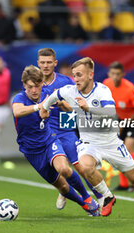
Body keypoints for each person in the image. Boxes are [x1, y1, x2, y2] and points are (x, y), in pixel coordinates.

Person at [40, 57, 134, 220]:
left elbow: (111, 113)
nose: (76, 79)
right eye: (74, 75)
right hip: (89, 143)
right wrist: (44, 107)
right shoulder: (70, 90)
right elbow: (55, 95)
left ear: (90, 75)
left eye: (80, 75)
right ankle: (107, 196)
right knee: (85, 166)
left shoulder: (102, 90)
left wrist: (88, 107)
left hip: (111, 143)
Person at [12, 65, 100, 216]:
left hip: (49, 140)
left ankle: (87, 197)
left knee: (64, 169)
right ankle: (83, 204)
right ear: (24, 85)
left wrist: (69, 107)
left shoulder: (47, 94)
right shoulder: (20, 98)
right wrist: (38, 107)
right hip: (31, 150)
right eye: (30, 87)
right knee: (63, 187)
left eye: (37, 86)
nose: (34, 90)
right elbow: (17, 111)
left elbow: (65, 105)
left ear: (41, 84)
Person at [36, 48, 103, 210]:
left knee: (80, 166)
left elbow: (75, 108)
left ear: (55, 63)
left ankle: (101, 196)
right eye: (42, 62)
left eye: (49, 62)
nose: (45, 66)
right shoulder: (33, 83)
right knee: (60, 168)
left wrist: (62, 105)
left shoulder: (66, 82)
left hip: (64, 130)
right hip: (44, 134)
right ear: (38, 63)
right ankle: (66, 190)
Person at [103, 62, 134, 191]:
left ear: (123, 74)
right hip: (119, 120)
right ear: (109, 74)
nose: (115, 76)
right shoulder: (106, 84)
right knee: (119, 150)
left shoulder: (130, 88)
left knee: (128, 148)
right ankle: (124, 184)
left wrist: (125, 123)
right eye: (113, 74)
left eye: (118, 74)